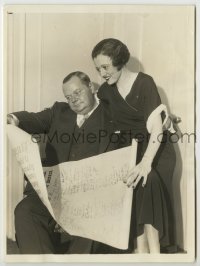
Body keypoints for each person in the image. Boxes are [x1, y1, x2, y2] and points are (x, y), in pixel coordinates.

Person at [7, 71, 117, 254]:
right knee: (25, 210)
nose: (73, 100)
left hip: (88, 196)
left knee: (92, 222)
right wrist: (11, 118)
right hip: (52, 193)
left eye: (77, 93)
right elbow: (32, 119)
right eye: (68, 97)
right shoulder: (59, 111)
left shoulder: (110, 115)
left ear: (91, 87)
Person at [91, 38, 176, 254]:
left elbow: (157, 129)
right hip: (131, 150)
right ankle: (141, 250)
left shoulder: (145, 82)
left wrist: (146, 163)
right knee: (131, 186)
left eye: (105, 67)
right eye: (98, 69)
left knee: (149, 180)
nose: (102, 74)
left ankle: (153, 251)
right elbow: (108, 127)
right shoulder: (105, 92)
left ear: (120, 61)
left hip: (156, 151)